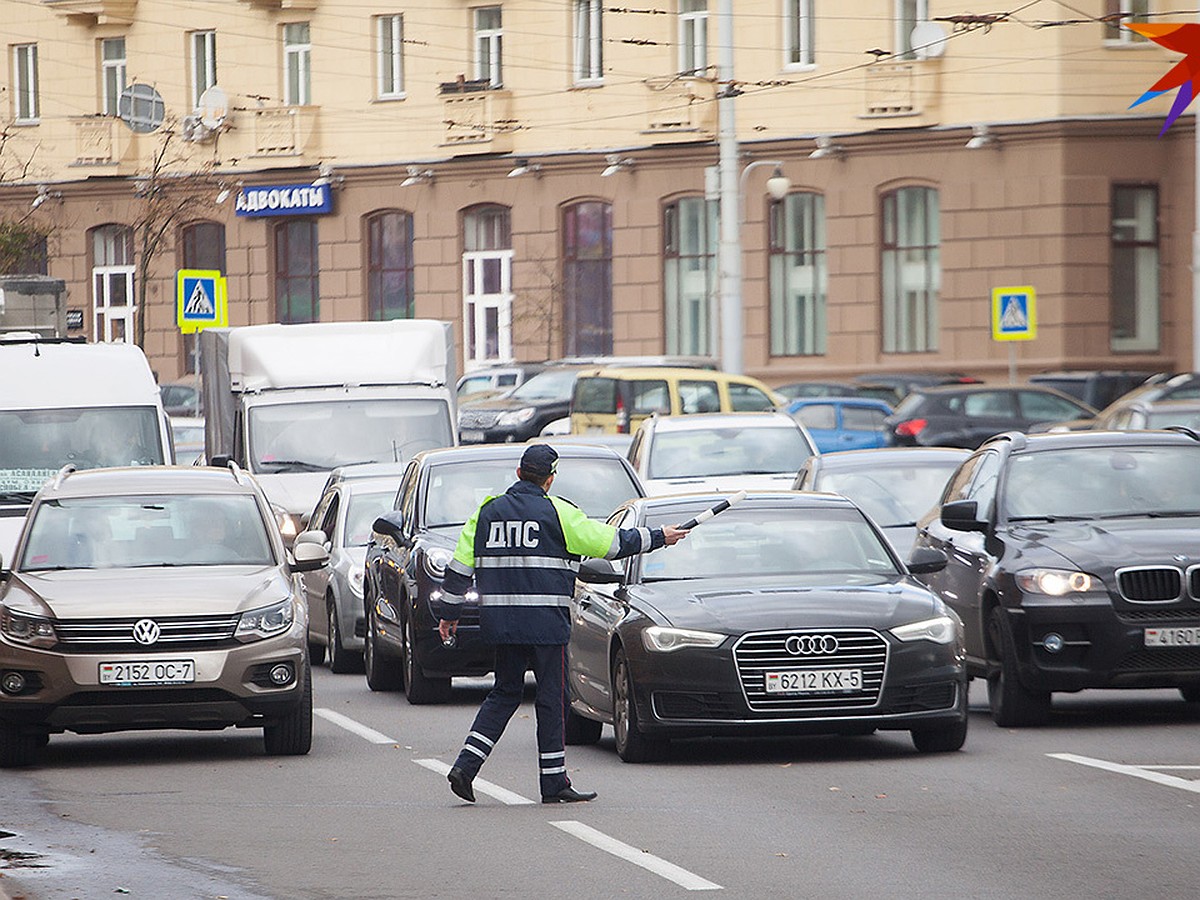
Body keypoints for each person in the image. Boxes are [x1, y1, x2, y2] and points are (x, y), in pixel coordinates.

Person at [438, 443, 688, 805]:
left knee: (504, 694)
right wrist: (659, 537)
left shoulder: (486, 512)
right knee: (552, 700)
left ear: (519, 473)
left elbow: (460, 567)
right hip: (545, 628)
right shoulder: (559, 513)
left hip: (503, 626)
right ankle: (553, 781)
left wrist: (449, 614)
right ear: (550, 479)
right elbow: (611, 544)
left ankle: (466, 766)